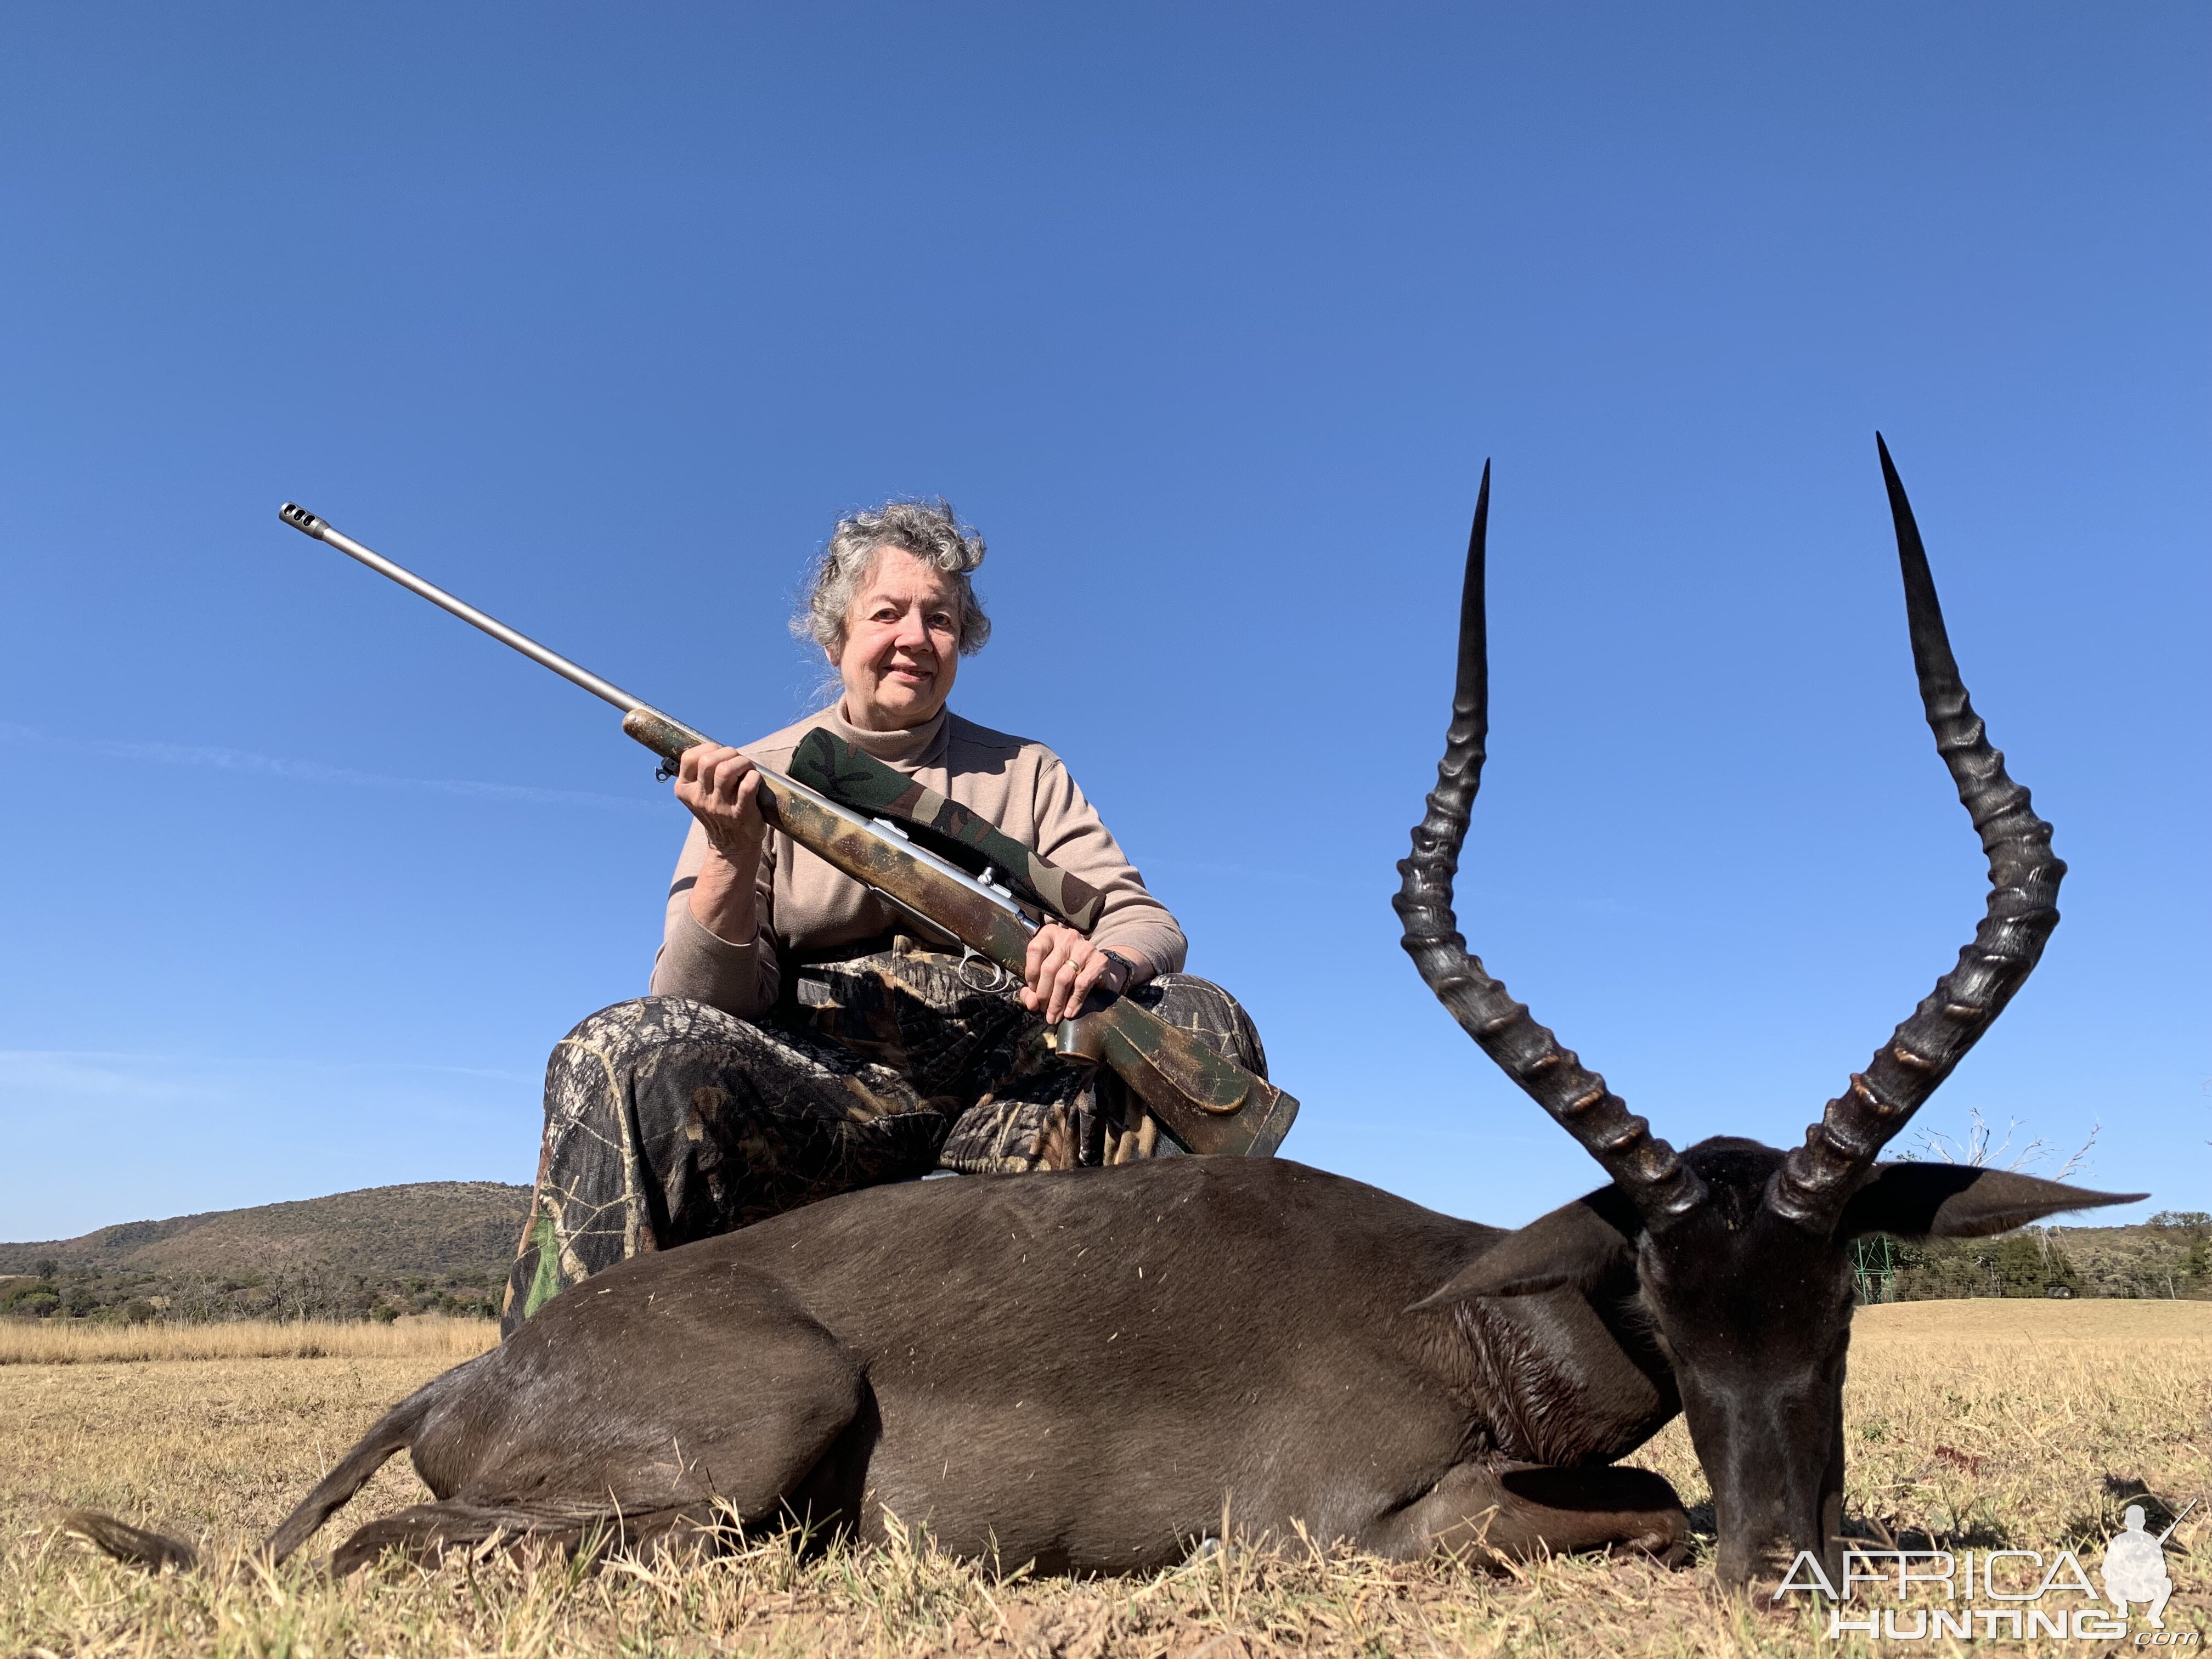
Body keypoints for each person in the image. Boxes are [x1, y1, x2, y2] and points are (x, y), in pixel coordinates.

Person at [501, 499, 1267, 1334]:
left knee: (1197, 1020)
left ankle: (1166, 1385)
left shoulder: (1029, 772)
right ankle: (565, 1403)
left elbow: (1142, 920)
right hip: (831, 1097)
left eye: (940, 619)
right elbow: (693, 1001)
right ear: (836, 639)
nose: (915, 637)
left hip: (1011, 1089)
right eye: (889, 613)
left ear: (962, 642)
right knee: (620, 1053)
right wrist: (729, 852)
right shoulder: (756, 774)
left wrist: (1102, 963)